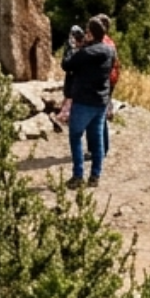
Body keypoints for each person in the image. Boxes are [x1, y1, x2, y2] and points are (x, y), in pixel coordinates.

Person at [60, 15, 117, 186]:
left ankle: (78, 176)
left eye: (86, 32)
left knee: (76, 136)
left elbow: (67, 64)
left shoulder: (85, 53)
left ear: (91, 34)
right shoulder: (109, 50)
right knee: (97, 138)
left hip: (83, 101)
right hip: (100, 101)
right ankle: (95, 176)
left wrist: (70, 47)